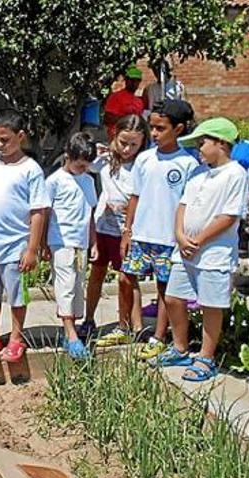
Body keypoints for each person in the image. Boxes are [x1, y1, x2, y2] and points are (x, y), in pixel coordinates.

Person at [157, 118, 246, 381]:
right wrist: (181, 236)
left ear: (221, 143)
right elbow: (182, 206)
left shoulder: (235, 174)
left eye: (202, 142)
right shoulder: (198, 174)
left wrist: (199, 241)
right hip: (185, 252)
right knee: (173, 298)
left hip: (213, 253)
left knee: (211, 304)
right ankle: (180, 347)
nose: (199, 149)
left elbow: (228, 216)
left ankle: (206, 357)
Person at [121, 100, 201, 360]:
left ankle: (159, 336)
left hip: (169, 239)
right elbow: (135, 196)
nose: (154, 133)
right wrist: (128, 230)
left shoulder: (188, 163)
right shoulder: (144, 158)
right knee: (125, 278)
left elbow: (189, 204)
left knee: (165, 289)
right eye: (152, 127)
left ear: (178, 129)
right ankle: (132, 327)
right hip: (141, 235)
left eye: (160, 128)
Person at [0, 109, 50, 363]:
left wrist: (32, 248)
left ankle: (16, 337)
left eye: (5, 139)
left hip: (15, 244)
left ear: (21, 136)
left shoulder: (31, 170)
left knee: (17, 294)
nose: (0, 145)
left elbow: (38, 211)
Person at [87, 116, 150, 347]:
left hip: (128, 228)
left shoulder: (143, 163)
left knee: (127, 278)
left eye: (134, 144)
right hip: (104, 224)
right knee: (97, 273)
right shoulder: (105, 159)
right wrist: (103, 150)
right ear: (115, 136)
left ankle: (135, 326)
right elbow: (84, 161)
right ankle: (89, 319)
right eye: (123, 142)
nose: (127, 149)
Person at [42, 133, 98, 359]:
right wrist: (43, 242)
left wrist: (93, 241)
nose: (83, 169)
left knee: (77, 286)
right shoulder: (54, 181)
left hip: (81, 242)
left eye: (86, 166)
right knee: (65, 284)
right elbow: (45, 212)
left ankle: (71, 328)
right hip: (61, 240)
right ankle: (71, 333)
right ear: (68, 157)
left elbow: (90, 212)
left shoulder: (88, 181)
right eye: (80, 165)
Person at [104, 66, 145, 141]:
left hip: (133, 140)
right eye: (131, 80)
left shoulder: (139, 102)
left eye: (137, 80)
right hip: (116, 137)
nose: (134, 83)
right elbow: (108, 118)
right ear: (126, 80)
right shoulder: (116, 97)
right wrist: (128, 120)